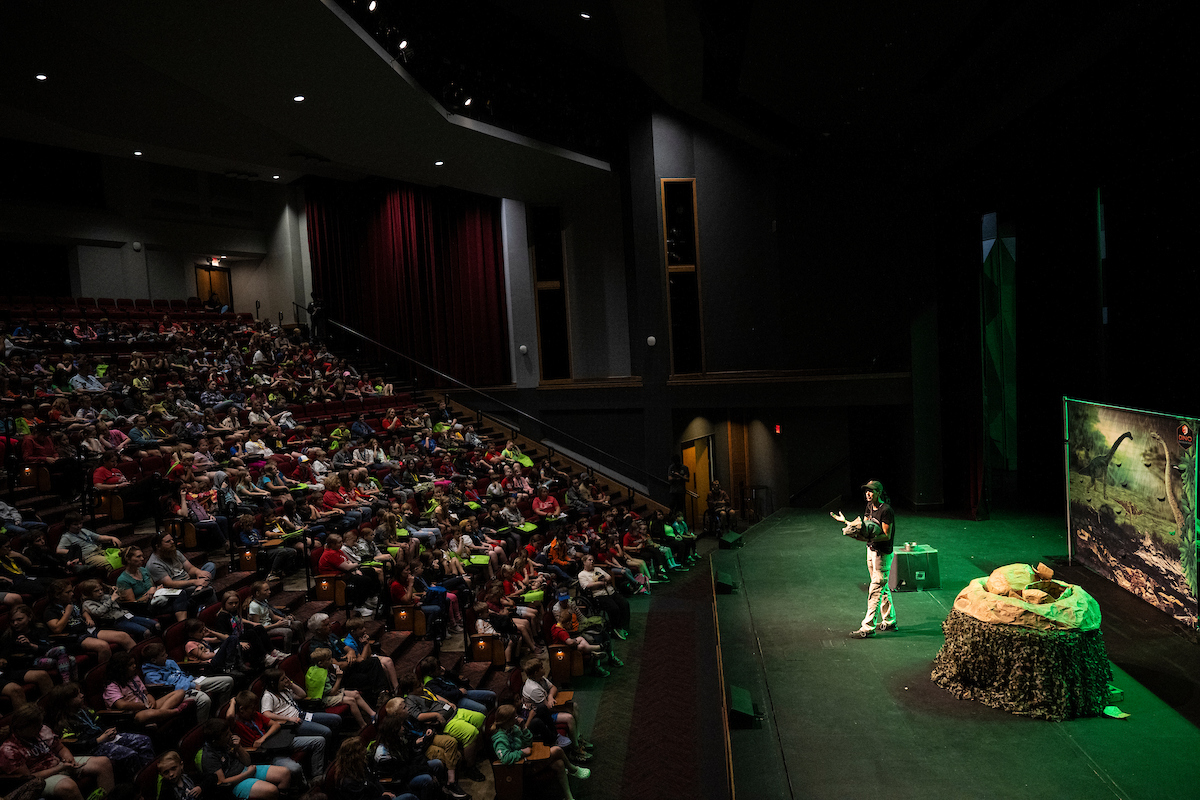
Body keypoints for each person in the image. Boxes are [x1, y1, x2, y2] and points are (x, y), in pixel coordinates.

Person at [0, 704, 116, 800]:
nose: (40, 729)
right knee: (68, 787)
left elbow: (60, 748)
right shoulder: (9, 749)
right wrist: (60, 768)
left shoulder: (42, 730)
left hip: (60, 764)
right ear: (23, 727)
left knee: (103, 763)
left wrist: (69, 758)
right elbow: (28, 779)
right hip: (41, 778)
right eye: (36, 727)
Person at [834, 480, 897, 639]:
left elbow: (886, 535)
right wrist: (848, 524)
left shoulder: (886, 511)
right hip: (871, 551)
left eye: (871, 491)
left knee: (875, 589)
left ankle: (868, 627)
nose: (868, 494)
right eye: (866, 491)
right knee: (882, 587)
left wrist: (865, 538)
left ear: (878, 493)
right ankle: (889, 620)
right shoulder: (869, 507)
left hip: (882, 554)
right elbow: (864, 527)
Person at [490, 704, 589, 800]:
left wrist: (524, 728)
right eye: (514, 717)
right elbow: (505, 758)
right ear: (507, 721)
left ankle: (569, 797)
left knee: (559, 764)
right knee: (557, 750)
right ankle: (573, 769)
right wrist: (522, 752)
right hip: (520, 768)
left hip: (529, 760)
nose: (517, 718)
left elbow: (529, 741)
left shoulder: (513, 729)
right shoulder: (500, 738)